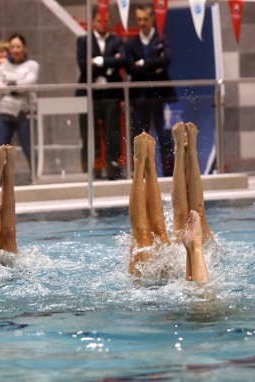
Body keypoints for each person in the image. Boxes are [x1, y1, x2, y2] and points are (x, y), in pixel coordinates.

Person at [128, 128, 209, 283]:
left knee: (144, 234)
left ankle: (142, 163)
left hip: (153, 286)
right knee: (159, 232)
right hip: (167, 283)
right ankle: (147, 162)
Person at [125, 4, 177, 177]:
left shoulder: (162, 40)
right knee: (140, 137)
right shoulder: (132, 43)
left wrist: (143, 64)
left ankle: (169, 173)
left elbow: (167, 60)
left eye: (145, 19)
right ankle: (141, 175)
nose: (142, 23)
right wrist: (154, 64)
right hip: (140, 98)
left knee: (165, 136)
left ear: (152, 19)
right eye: (139, 19)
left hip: (160, 97)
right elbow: (130, 67)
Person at [76, 8, 125, 180]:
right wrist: (110, 65)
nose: (102, 23)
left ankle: (113, 170)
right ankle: (92, 171)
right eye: (99, 20)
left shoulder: (117, 41)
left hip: (111, 94)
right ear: (93, 21)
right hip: (90, 95)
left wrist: (98, 61)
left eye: (105, 20)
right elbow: (83, 64)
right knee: (89, 133)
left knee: (113, 133)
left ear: (109, 21)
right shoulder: (83, 41)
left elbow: (123, 60)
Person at [0, 33, 39, 169]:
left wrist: (10, 84)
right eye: (12, 47)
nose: (15, 50)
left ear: (24, 48)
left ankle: (35, 177)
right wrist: (18, 86)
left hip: (24, 112)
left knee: (29, 148)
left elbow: (29, 84)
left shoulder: (32, 65)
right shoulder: (3, 66)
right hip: (4, 111)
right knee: (0, 152)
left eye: (18, 46)